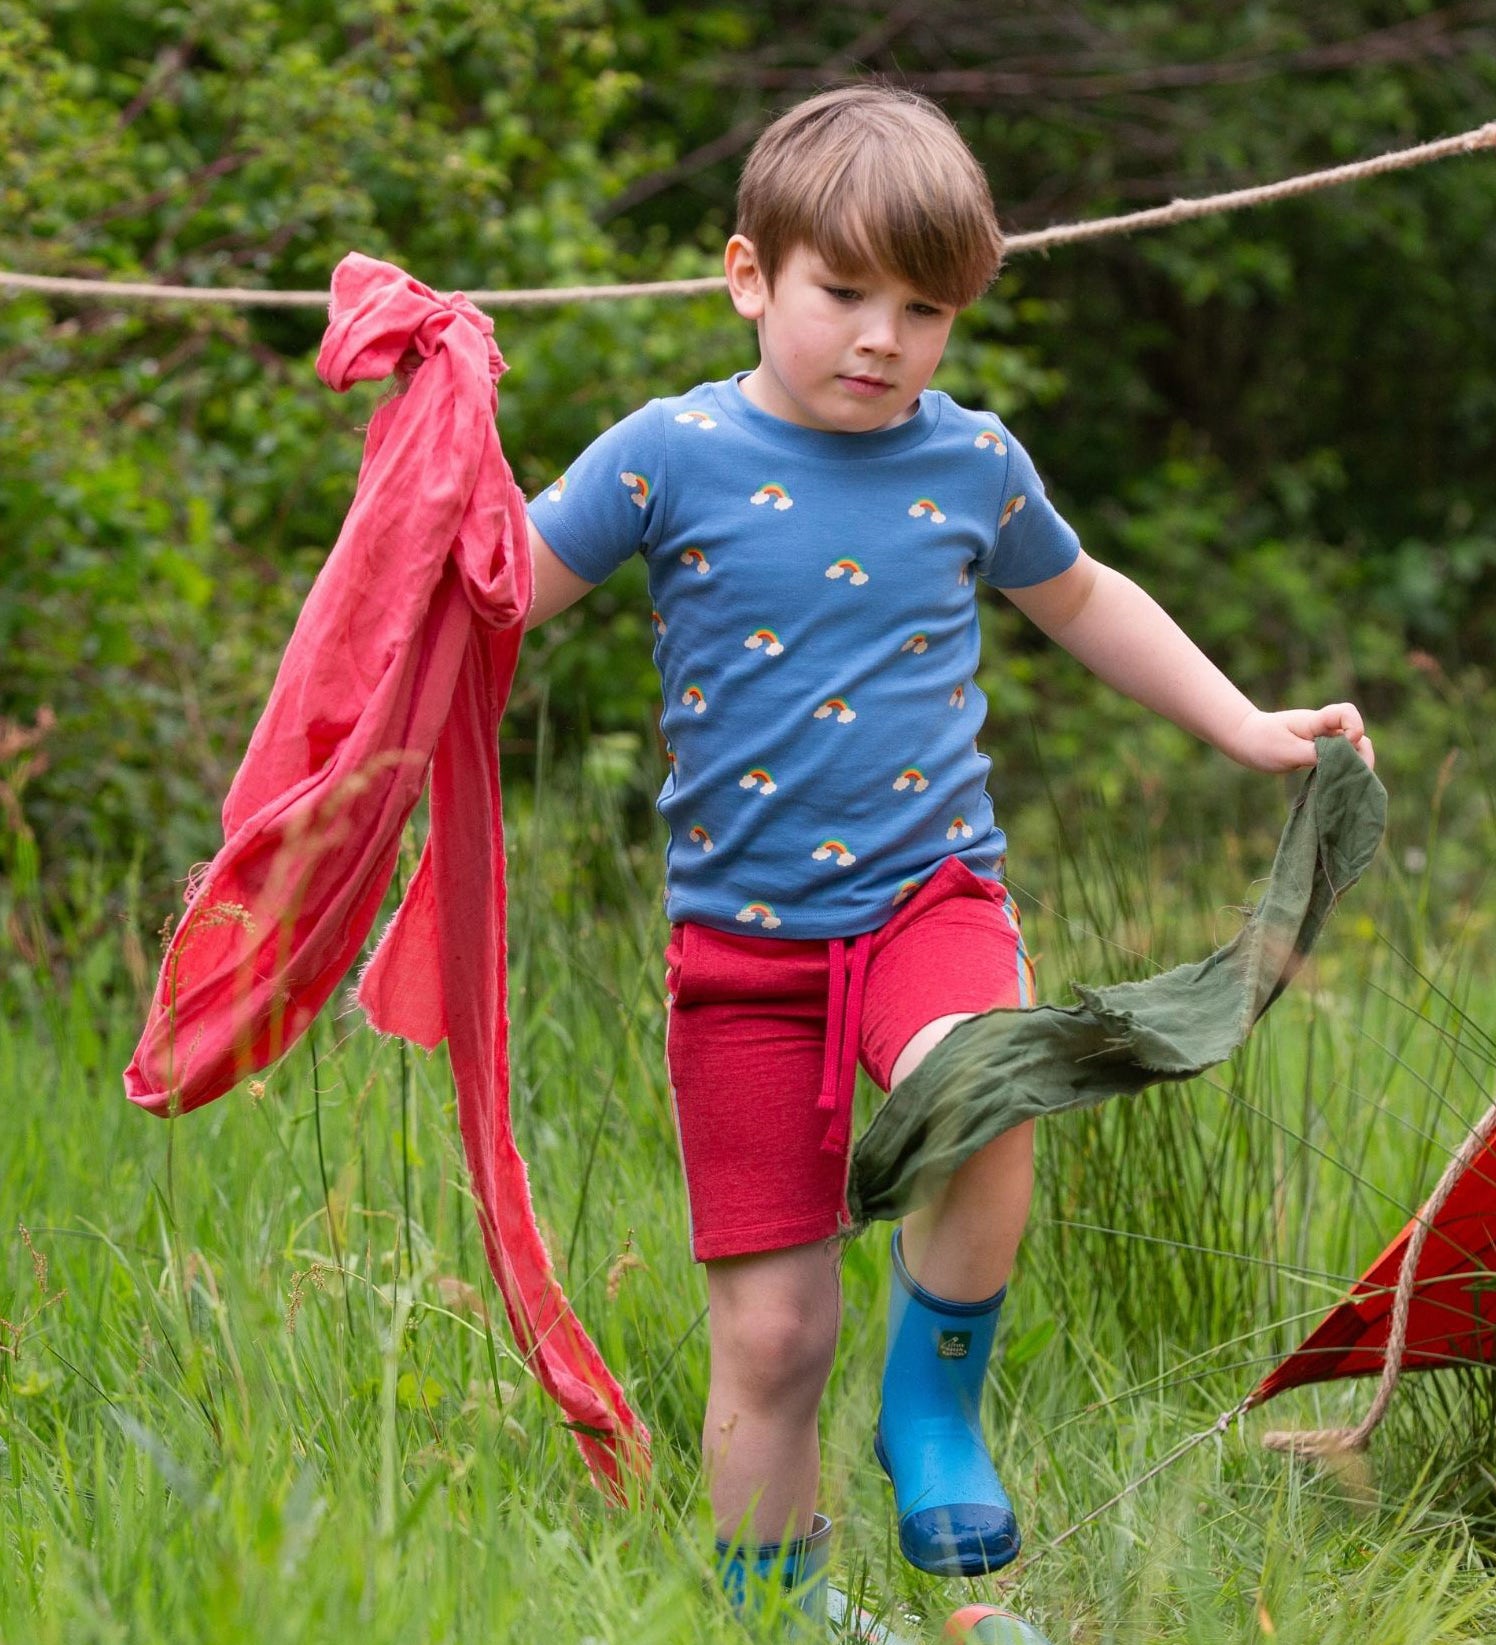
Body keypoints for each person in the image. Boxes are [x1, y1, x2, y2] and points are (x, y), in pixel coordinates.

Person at [523, 83, 1373, 1625]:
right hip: (743, 959)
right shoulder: (667, 454)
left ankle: (934, 1407)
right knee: (772, 1334)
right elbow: (498, 586)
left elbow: (1090, 598)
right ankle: (780, 1604)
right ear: (746, 275)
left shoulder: (969, 461)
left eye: (924, 309)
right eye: (842, 292)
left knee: (987, 1077)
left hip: (933, 898)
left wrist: (1244, 722)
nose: (880, 337)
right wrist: (423, 463)